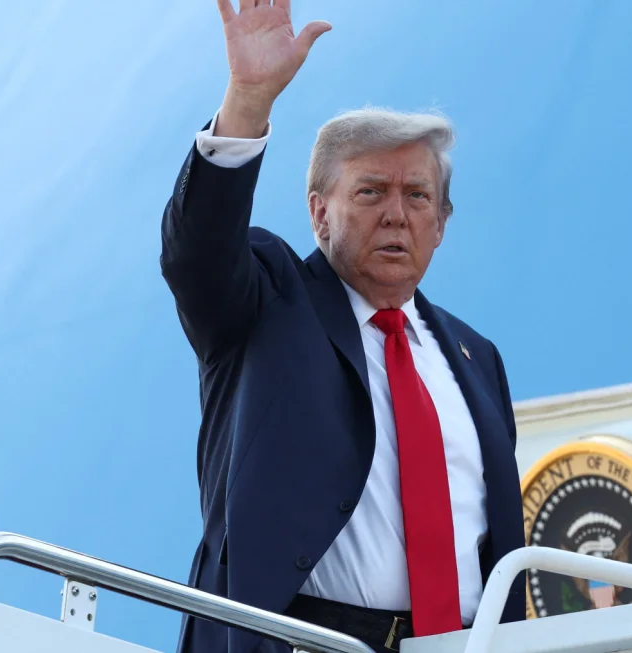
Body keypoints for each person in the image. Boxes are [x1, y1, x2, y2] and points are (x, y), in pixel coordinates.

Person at [161, 1, 526, 650]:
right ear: (318, 212)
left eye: (416, 196)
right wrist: (247, 99)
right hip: (306, 638)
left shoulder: (477, 357)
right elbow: (198, 252)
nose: (396, 214)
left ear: (440, 224)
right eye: (369, 192)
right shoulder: (268, 299)